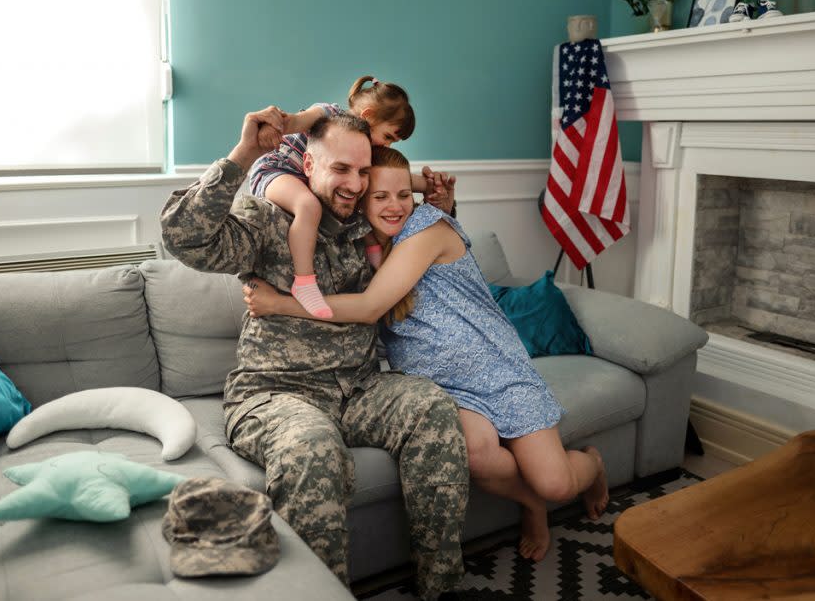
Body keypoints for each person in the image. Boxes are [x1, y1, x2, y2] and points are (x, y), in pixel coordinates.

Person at [244, 147, 609, 563]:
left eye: (404, 194)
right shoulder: (363, 249)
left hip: (497, 368)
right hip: (442, 386)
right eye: (380, 196)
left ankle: (591, 466)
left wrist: (280, 304)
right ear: (361, 198)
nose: (396, 205)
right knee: (474, 454)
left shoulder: (429, 227)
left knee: (556, 484)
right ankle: (532, 504)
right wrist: (410, 183)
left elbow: (367, 308)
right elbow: (319, 181)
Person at [160, 107, 468, 600]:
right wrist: (244, 155)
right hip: (277, 395)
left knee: (430, 405)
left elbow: (430, 255)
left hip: (361, 388)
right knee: (312, 449)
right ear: (308, 167)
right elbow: (183, 237)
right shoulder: (269, 221)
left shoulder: (371, 225)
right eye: (340, 169)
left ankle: (441, 586)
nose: (353, 183)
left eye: (363, 171)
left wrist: (445, 206)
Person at [247, 76, 454, 319]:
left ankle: (377, 263)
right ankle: (304, 282)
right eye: (388, 137)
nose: (388, 146)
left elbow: (391, 178)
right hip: (278, 170)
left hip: (304, 176)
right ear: (367, 116)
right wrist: (271, 125)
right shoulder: (328, 114)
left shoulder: (362, 149)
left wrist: (430, 184)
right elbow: (294, 121)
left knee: (360, 216)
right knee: (308, 206)